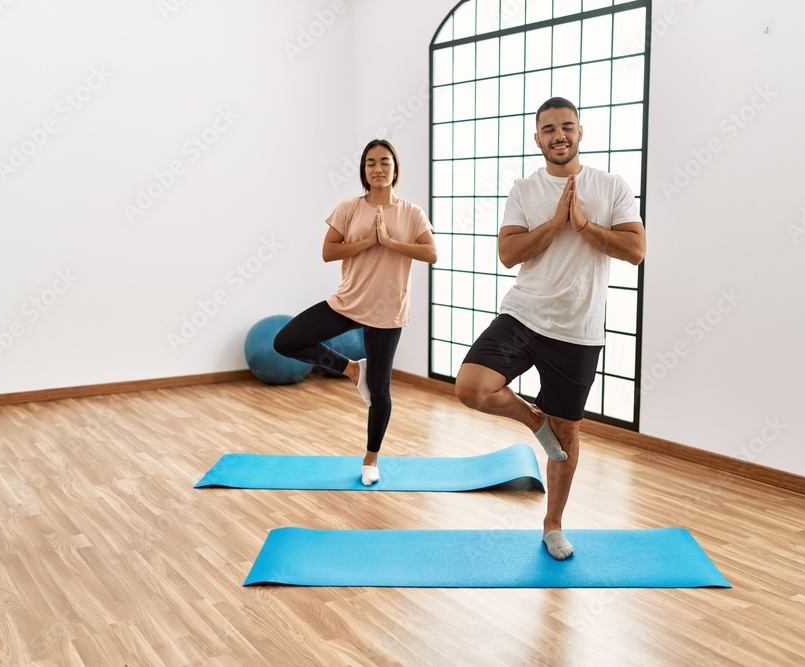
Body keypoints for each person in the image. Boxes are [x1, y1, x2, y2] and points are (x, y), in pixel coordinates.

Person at [455, 97, 646, 560]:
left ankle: (553, 524)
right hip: (524, 313)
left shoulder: (610, 186)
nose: (558, 135)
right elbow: (509, 254)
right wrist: (555, 222)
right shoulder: (524, 189)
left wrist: (583, 225)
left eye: (567, 126)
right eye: (548, 129)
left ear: (581, 132)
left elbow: (635, 250)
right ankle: (532, 419)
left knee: (568, 434)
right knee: (471, 388)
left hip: (579, 328)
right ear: (537, 138)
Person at [274, 138, 436, 486]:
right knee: (286, 341)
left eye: (384, 162)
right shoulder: (349, 208)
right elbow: (329, 252)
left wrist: (390, 241)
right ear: (363, 171)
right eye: (370, 163)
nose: (378, 169)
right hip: (348, 301)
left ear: (395, 169)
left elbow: (430, 253)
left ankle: (371, 458)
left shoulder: (411, 213)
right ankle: (350, 369)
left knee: (380, 392)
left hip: (388, 309)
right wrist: (369, 241)